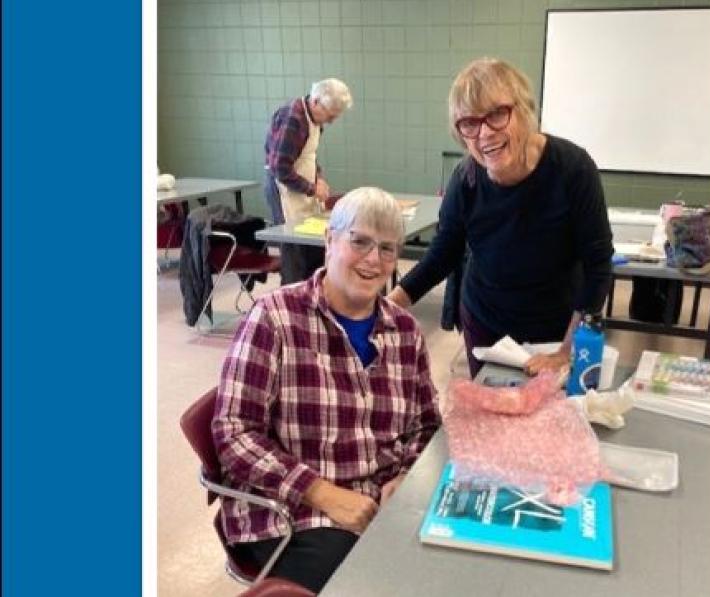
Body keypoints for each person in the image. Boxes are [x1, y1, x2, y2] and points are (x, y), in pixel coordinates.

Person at [212, 187, 441, 593]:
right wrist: (322, 493)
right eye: (360, 241)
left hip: (380, 500)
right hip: (292, 510)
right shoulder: (274, 319)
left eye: (387, 249)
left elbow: (427, 426)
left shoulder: (404, 331)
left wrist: (404, 475)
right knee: (375, 584)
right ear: (329, 240)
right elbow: (234, 433)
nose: (374, 260)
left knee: (444, 565)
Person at [388, 58, 614, 379]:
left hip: (556, 325)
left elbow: (598, 264)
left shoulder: (572, 169)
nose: (484, 134)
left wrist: (566, 351)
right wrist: (384, 308)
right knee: (495, 412)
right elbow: (442, 255)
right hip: (486, 321)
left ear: (524, 111)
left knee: (549, 416)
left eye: (496, 114)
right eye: (469, 123)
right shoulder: (466, 179)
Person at [264, 78, 353, 284]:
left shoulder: (315, 120)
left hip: (302, 189)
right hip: (283, 191)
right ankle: (292, 298)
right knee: (294, 250)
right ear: (316, 101)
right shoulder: (293, 118)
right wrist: (312, 188)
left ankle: (313, 293)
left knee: (313, 247)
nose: (330, 121)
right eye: (330, 116)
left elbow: (308, 156)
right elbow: (280, 168)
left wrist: (318, 178)